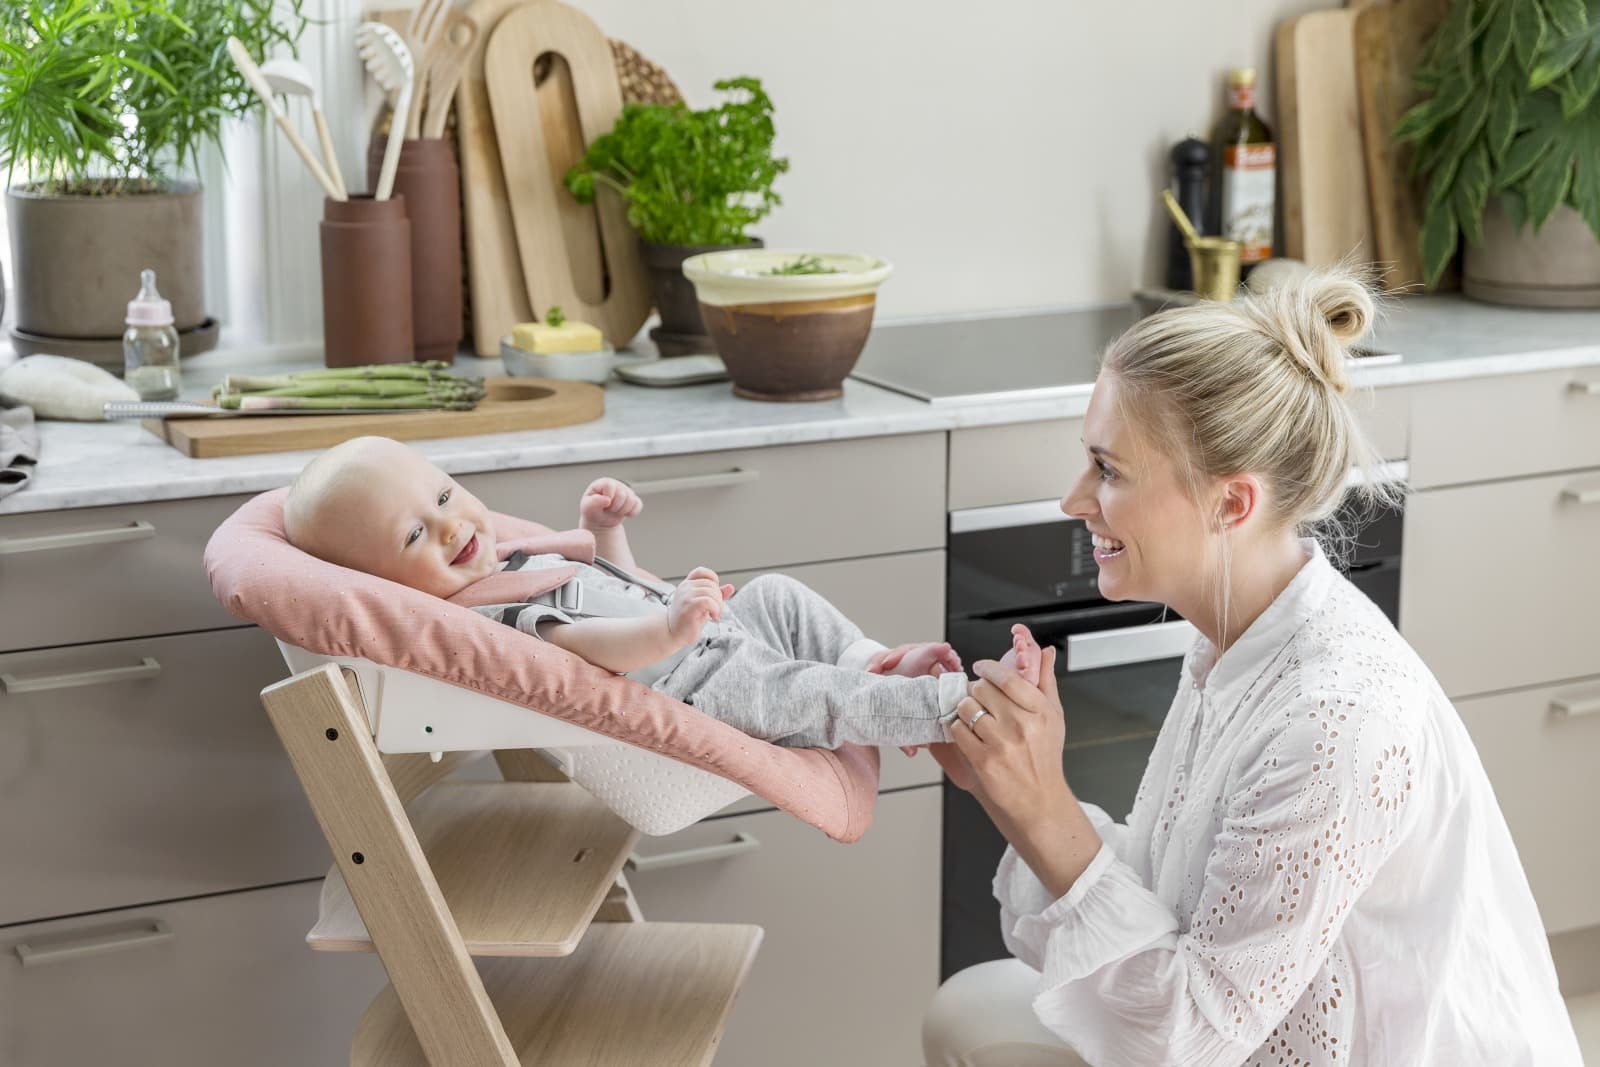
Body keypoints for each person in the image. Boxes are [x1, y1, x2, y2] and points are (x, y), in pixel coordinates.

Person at [922, 270, 1583, 1066]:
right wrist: (1007, 782)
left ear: (1230, 504)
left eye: (1108, 470)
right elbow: (1168, 899)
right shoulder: (1234, 644)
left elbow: (1187, 1037)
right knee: (969, 1007)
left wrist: (1041, 805)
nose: (1075, 499)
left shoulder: (1336, 719)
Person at [283, 435, 1038, 750]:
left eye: (444, 496)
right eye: (415, 537)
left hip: (696, 630)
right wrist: (674, 629)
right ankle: (953, 710)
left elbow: (620, 591)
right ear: (386, 584)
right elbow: (595, 647)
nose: (449, 528)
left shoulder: (511, 557)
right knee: (810, 693)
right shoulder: (492, 614)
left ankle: (876, 660)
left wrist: (603, 535)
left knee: (776, 595)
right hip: (696, 681)